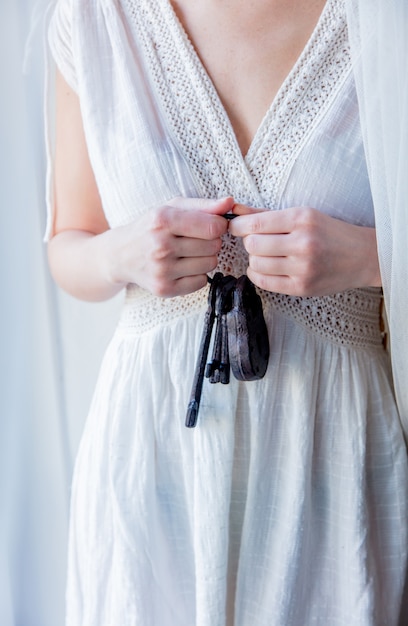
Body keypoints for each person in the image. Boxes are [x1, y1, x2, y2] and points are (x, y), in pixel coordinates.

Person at [45, 0, 408, 624]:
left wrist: (374, 259)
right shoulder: (93, 17)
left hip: (333, 449)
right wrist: (120, 254)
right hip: (153, 454)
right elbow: (67, 246)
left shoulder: (388, 20)